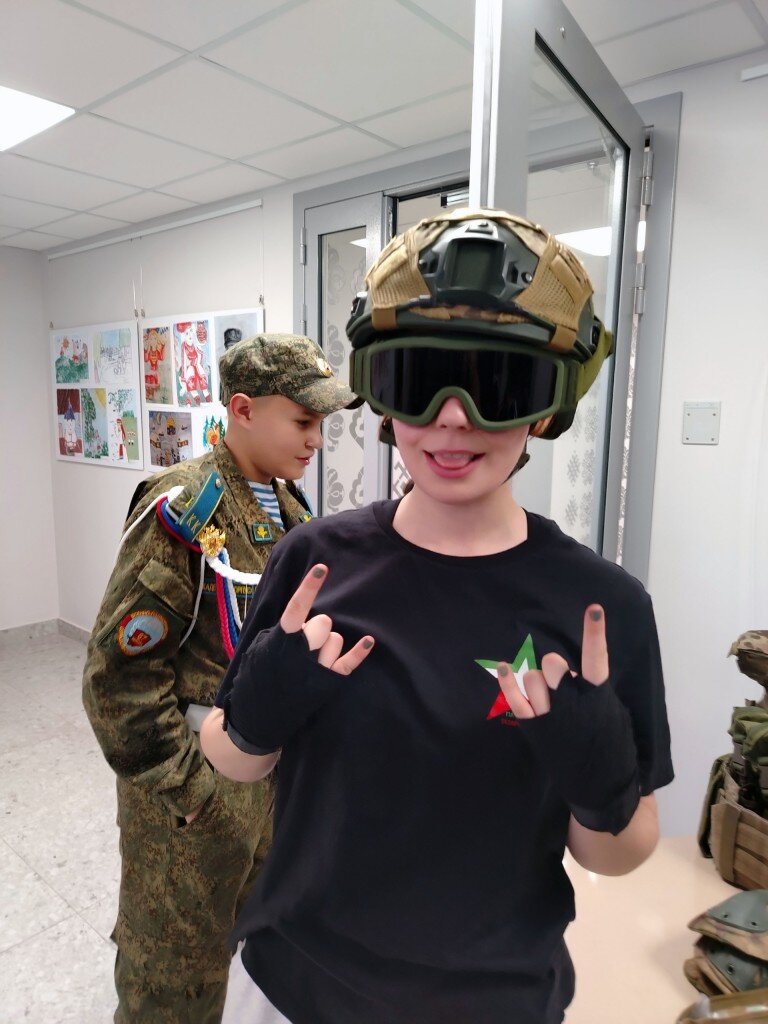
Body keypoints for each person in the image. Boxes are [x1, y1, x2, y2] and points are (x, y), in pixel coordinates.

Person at [201, 210, 674, 1024]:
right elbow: (231, 760)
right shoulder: (315, 560)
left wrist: (601, 786)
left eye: (499, 385)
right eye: (421, 380)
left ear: (548, 408)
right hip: (291, 981)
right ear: (382, 399)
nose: (453, 418)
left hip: (492, 1000)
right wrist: (254, 716)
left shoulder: (603, 609)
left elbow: (618, 855)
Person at [82, 333, 359, 1024]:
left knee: (239, 959)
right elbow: (117, 679)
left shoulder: (289, 511)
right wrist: (191, 793)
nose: (316, 439)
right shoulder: (185, 510)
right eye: (303, 420)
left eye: (321, 422)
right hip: (190, 794)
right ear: (243, 409)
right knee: (173, 979)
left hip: (263, 789)